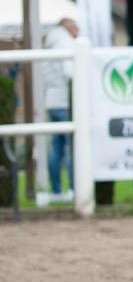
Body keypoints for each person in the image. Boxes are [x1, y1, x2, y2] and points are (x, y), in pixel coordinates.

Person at [38, 17, 77, 205]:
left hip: (51, 101)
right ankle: (72, 188)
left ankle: (56, 189)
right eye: (76, 27)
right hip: (64, 101)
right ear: (68, 27)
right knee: (71, 147)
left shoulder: (50, 43)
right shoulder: (66, 42)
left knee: (56, 148)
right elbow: (70, 72)